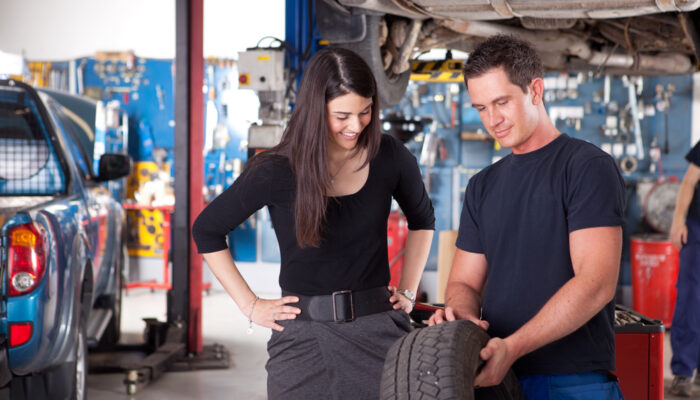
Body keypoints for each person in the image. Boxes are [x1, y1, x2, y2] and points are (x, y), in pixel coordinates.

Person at [192, 47, 435, 400]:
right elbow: (207, 230)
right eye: (342, 115)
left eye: (365, 112)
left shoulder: (391, 157)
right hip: (300, 339)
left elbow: (423, 220)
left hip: (378, 333)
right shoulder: (275, 170)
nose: (356, 126)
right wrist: (250, 305)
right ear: (315, 110)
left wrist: (409, 291)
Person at [428, 34, 626, 399]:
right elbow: (464, 285)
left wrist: (514, 347)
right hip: (498, 378)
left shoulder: (585, 167)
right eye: (481, 108)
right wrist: (462, 317)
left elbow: (596, 282)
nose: (493, 120)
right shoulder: (482, 186)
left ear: (535, 90)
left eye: (502, 102)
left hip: (573, 381)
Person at [668, 141, 700, 397]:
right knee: (691, 298)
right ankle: (683, 372)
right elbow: (689, 181)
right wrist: (678, 222)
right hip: (697, 228)